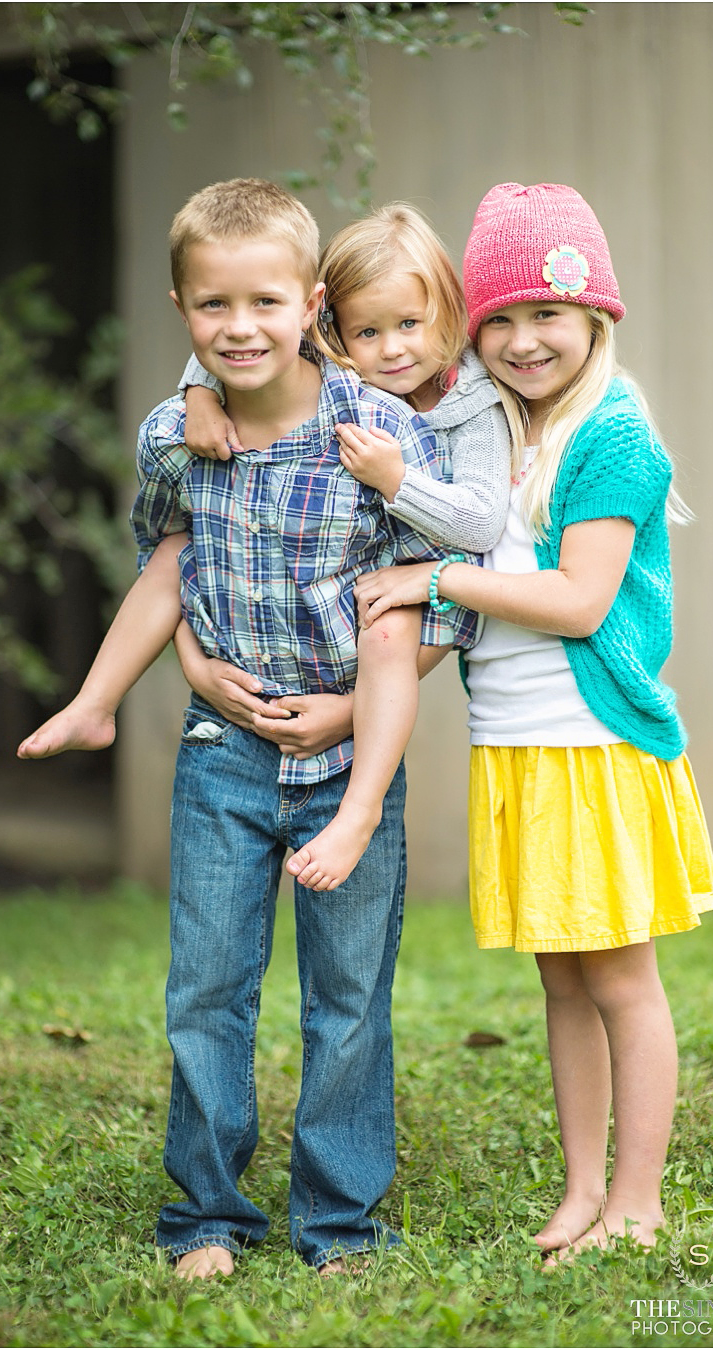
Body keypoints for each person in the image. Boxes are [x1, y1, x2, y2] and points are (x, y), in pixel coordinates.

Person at [23, 177, 478, 1278]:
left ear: (311, 304)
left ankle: (340, 1223)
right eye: (214, 307)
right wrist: (171, 672)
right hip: (219, 753)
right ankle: (208, 1219)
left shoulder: (378, 425)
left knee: (348, 1000)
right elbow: (163, 560)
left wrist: (358, 704)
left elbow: (445, 590)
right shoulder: (174, 436)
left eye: (266, 304)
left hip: (346, 750)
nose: (240, 328)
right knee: (208, 991)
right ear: (182, 308)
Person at [353, 182, 713, 1259]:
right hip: (514, 747)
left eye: (547, 315)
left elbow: (578, 600)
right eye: (499, 320)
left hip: (595, 748)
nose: (521, 341)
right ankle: (580, 1189)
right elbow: (337, 351)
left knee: (619, 976)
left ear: (596, 317)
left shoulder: (613, 436)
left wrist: (440, 581)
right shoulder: (494, 432)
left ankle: (638, 1201)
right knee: (561, 975)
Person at [182, 203, 511, 889]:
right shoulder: (323, 366)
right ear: (328, 324)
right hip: (341, 596)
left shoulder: (472, 399)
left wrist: (395, 479)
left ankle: (358, 814)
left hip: (433, 582)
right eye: (368, 331)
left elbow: (480, 526)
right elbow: (244, 331)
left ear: (446, 313)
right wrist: (197, 393)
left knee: (387, 627)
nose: (392, 350)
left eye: (410, 325)